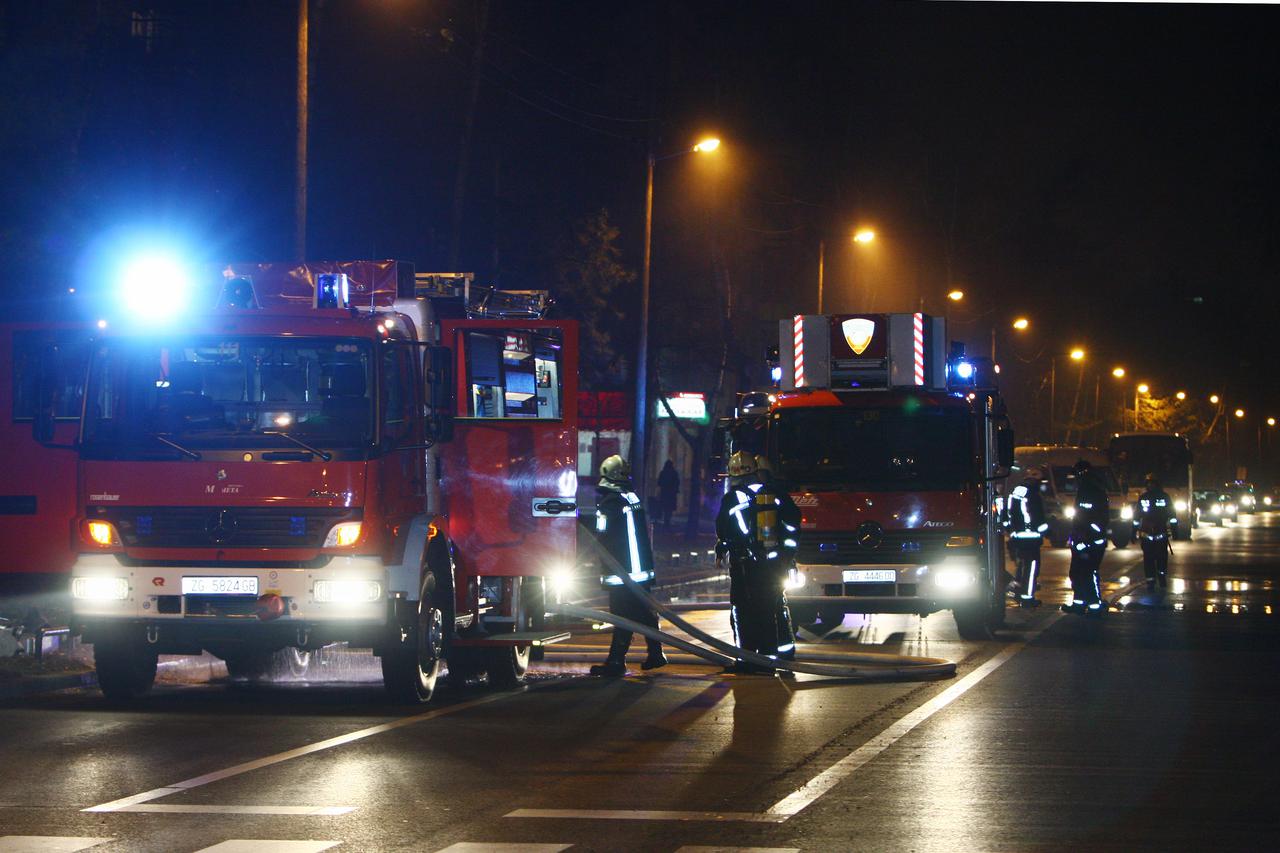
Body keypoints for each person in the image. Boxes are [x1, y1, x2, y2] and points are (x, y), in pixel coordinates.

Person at [714, 451, 800, 673]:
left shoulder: (732, 499)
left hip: (745, 566)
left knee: (743, 611)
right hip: (774, 564)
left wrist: (723, 548)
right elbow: (793, 524)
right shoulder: (775, 495)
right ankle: (782, 654)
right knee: (774, 607)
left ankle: (748, 660)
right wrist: (786, 556)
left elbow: (723, 529)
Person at [589, 455, 667, 676]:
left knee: (622, 615)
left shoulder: (610, 503)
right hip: (640, 570)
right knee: (642, 612)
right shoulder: (631, 497)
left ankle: (617, 662)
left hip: (623, 571)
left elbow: (601, 534)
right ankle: (654, 653)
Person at [1065, 458, 1110, 614]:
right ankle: (1079, 603)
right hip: (1081, 540)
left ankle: (1094, 606)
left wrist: (1088, 534)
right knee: (1076, 573)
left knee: (1088, 573)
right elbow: (1079, 517)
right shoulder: (1083, 491)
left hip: (1092, 542)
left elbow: (1100, 519)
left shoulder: (1094, 492)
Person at [1004, 465, 1049, 607]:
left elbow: (1008, 511)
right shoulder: (1032, 494)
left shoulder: (1016, 491)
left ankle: (1018, 591)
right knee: (1031, 568)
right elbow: (1037, 516)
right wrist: (1047, 529)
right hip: (1031, 537)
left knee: (1022, 566)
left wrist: (1010, 530)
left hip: (1018, 536)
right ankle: (1027, 598)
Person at [1134, 473, 1174, 593]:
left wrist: (1175, 530)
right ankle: (1150, 581)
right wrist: (1133, 531)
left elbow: (1172, 515)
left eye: (1153, 484)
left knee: (1162, 558)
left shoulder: (1165, 497)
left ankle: (1161, 577)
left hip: (1161, 533)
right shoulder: (1143, 498)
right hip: (1146, 534)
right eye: (1149, 484)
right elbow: (1137, 516)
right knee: (1148, 559)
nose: (1150, 486)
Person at [657, 460, 680, 529]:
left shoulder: (663, 473)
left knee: (665, 509)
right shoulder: (674, 473)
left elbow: (659, 483)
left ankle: (666, 523)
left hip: (664, 493)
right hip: (671, 494)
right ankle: (667, 523)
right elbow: (677, 483)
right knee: (669, 510)